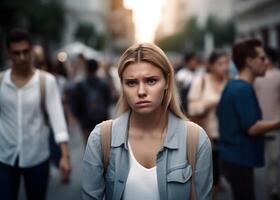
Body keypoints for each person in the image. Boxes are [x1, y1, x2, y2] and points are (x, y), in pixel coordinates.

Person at [81, 43, 213, 200]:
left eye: (151, 81)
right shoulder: (101, 137)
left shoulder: (196, 139)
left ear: (167, 82)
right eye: (131, 82)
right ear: (122, 85)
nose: (141, 92)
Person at [216, 38, 280, 200]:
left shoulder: (233, 85)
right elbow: (252, 127)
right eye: (262, 58)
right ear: (249, 61)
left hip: (232, 158)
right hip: (238, 160)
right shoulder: (242, 89)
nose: (267, 62)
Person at [0, 29, 71, 200]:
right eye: (16, 53)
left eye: (25, 52)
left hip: (37, 156)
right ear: (9, 53)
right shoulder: (1, 81)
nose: (22, 58)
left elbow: (57, 118)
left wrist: (65, 156)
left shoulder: (46, 81)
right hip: (5, 157)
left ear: (31, 50)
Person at [188, 50, 229, 200]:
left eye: (226, 63)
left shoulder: (229, 83)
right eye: (220, 64)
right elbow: (192, 108)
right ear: (211, 66)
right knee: (211, 178)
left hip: (227, 137)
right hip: (208, 137)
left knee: (223, 175)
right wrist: (208, 105)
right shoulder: (201, 81)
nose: (224, 67)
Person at [254, 47, 280, 200]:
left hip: (275, 123)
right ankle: (252, 187)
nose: (262, 60)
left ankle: (273, 188)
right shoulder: (254, 76)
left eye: (264, 57)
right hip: (256, 124)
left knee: (274, 158)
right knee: (254, 158)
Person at [71, 59, 111, 142]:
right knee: (103, 145)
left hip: (86, 122)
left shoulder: (80, 85)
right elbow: (108, 100)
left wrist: (79, 119)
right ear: (97, 68)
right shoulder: (103, 83)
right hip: (102, 120)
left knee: (89, 146)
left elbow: (75, 105)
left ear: (86, 68)